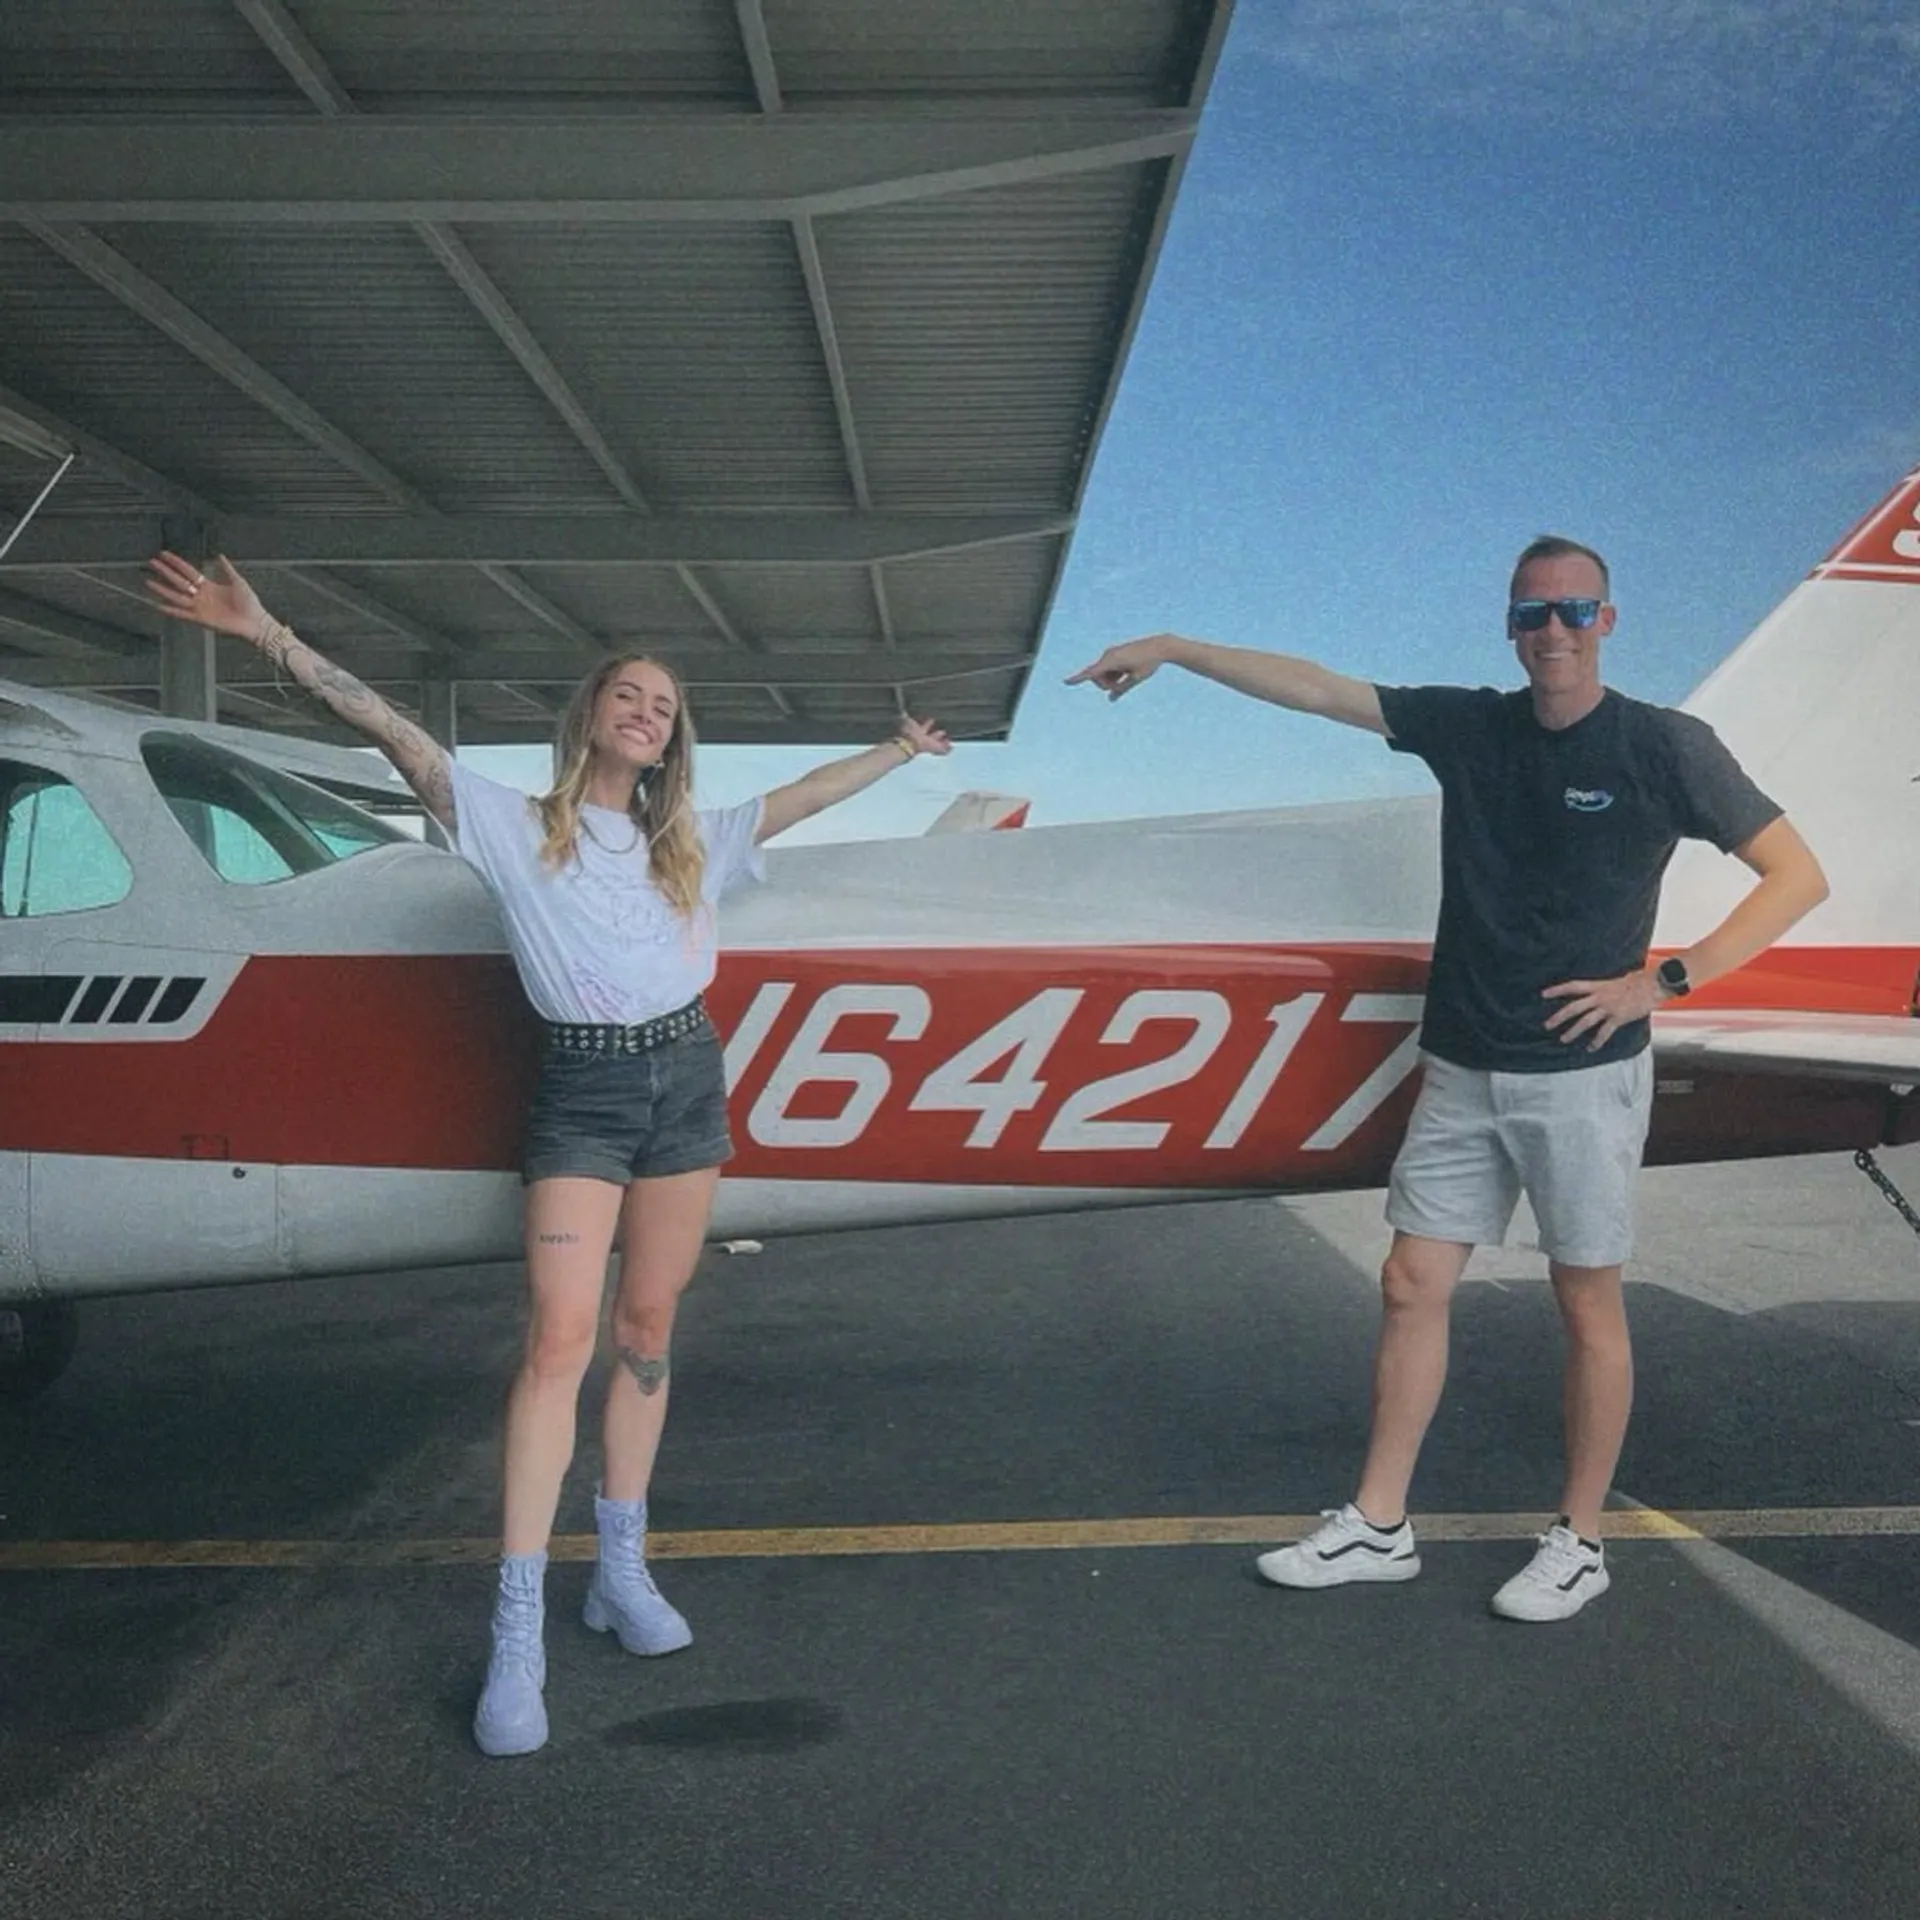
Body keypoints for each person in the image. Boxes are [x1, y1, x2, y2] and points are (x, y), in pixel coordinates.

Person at [146, 550, 951, 1747]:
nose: (647, 711)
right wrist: (266, 635)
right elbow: (392, 730)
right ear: (590, 715)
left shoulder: (693, 840)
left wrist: (899, 750)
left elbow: (804, 798)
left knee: (648, 1331)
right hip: (583, 1088)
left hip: (687, 1079)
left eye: (664, 705)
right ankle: (516, 1632)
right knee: (558, 1342)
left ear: (674, 739)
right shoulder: (512, 824)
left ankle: (620, 1572)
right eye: (628, 694)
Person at [1069, 535, 1828, 1621]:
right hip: (1463, 1063)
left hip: (1582, 1076)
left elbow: (1795, 874)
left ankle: (1580, 1540)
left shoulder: (1664, 746)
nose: (1554, 631)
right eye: (1533, 613)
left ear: (1608, 621)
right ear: (1510, 627)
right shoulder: (1472, 727)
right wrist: (1177, 647)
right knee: (1411, 1283)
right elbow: (1321, 690)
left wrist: (1662, 981)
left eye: (1574, 610)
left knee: (1587, 1304)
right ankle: (1380, 1525)